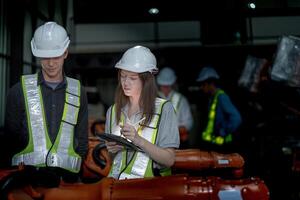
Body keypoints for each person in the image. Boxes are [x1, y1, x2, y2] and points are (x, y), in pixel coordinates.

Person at [4, 22, 88, 186]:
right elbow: (9, 141)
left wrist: (74, 172)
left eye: (55, 56)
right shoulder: (18, 91)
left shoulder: (79, 91)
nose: (50, 63)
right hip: (28, 184)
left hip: (68, 182)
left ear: (65, 53)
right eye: (45, 57)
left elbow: (82, 139)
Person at [105, 46, 180, 180]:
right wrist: (111, 150)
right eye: (123, 76)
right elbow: (114, 160)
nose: (125, 83)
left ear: (146, 80)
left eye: (132, 78)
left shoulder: (164, 109)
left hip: (149, 189)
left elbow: (169, 160)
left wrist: (138, 140)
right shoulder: (113, 111)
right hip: (117, 188)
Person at [196, 66, 242, 152]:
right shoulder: (212, 98)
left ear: (211, 83)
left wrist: (223, 131)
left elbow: (236, 118)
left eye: (203, 84)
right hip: (213, 145)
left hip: (221, 146)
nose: (201, 87)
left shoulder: (221, 97)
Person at [156, 67, 193, 148]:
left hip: (177, 141)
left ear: (172, 84)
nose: (165, 88)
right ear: (159, 84)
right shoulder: (153, 98)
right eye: (163, 85)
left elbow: (188, 122)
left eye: (167, 85)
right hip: (157, 141)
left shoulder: (181, 99)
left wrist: (181, 129)